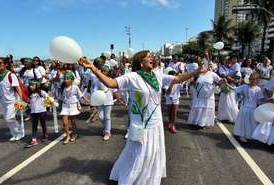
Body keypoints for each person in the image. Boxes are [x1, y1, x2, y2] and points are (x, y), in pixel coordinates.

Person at [79, 50, 205, 185]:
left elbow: (177, 79)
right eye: (148, 57)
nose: (152, 58)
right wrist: (93, 68)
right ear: (140, 62)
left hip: (156, 122)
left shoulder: (156, 75)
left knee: (152, 153)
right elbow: (111, 83)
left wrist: (194, 73)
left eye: (152, 57)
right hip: (140, 124)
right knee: (138, 153)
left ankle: (148, 178)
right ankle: (133, 178)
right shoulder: (132, 77)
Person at [0, 57, 24, 141]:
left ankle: (19, 133)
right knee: (7, 119)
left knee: (9, 118)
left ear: (5, 65)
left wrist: (21, 100)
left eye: (0, 63)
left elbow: (17, 87)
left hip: (12, 101)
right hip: (2, 101)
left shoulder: (10, 75)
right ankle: (14, 133)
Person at [233, 73, 264, 142]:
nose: (252, 81)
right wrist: (239, 97)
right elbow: (235, 90)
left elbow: (260, 99)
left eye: (254, 79)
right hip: (244, 107)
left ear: (257, 80)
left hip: (253, 108)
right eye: (250, 79)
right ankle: (242, 135)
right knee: (243, 121)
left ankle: (249, 134)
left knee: (251, 122)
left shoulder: (258, 89)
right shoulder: (244, 86)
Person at [60, 71, 89, 144]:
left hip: (73, 105)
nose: (65, 80)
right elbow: (61, 97)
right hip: (65, 105)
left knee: (73, 122)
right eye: (65, 79)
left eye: (67, 79)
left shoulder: (75, 87)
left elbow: (81, 95)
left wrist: (88, 101)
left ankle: (74, 133)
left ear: (72, 80)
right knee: (64, 122)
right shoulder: (62, 87)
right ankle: (67, 136)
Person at [25, 80, 48, 148]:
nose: (30, 86)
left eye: (32, 85)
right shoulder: (30, 94)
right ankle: (34, 139)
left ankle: (45, 135)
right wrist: (25, 105)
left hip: (42, 111)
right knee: (34, 125)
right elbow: (28, 102)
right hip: (33, 112)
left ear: (37, 86)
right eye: (30, 85)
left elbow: (47, 98)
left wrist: (50, 102)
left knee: (43, 123)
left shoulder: (42, 92)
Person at [217, 57, 239, 123]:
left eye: (229, 60)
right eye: (226, 60)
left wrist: (237, 80)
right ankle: (224, 117)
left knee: (233, 101)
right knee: (225, 101)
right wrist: (233, 80)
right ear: (223, 61)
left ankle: (233, 116)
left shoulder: (232, 67)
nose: (228, 62)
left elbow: (238, 75)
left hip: (233, 86)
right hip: (225, 86)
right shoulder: (221, 68)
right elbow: (224, 76)